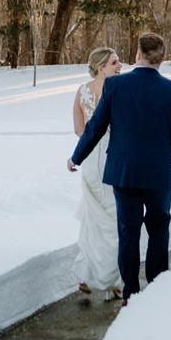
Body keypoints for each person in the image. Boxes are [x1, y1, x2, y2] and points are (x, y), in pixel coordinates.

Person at [68, 33, 171, 305]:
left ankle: (130, 294)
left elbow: (95, 128)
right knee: (159, 228)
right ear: (161, 58)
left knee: (128, 231)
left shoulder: (116, 86)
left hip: (123, 173)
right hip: (159, 175)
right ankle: (157, 287)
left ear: (138, 56)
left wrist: (76, 158)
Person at [72, 47, 124, 301]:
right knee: (115, 220)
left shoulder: (81, 92)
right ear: (102, 66)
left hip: (90, 162)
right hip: (113, 158)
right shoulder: (120, 90)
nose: (120, 65)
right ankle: (114, 281)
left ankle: (86, 275)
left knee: (93, 220)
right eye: (115, 62)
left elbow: (79, 130)